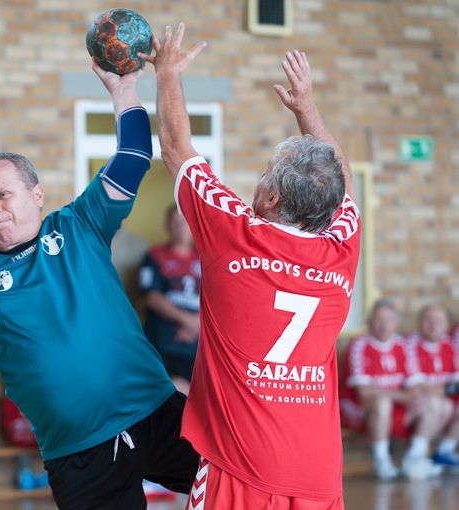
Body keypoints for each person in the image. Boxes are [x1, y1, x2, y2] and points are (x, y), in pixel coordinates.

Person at [0, 60, 199, 510]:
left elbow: (135, 155)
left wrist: (124, 91)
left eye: (4, 194)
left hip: (154, 413)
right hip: (77, 452)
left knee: (242, 486)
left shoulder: (81, 223)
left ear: (37, 194)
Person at [140, 26, 359, 509]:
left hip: (239, 470)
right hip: (317, 475)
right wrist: (307, 109)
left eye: (264, 173)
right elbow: (341, 177)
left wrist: (168, 74)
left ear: (272, 197)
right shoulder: (342, 249)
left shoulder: (233, 233)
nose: (257, 180)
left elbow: (176, 147)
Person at [340, 300, 445, 480]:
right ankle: (381, 461)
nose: (383, 325)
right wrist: (403, 396)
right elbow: (363, 392)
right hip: (357, 409)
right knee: (382, 402)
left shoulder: (401, 344)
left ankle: (413, 459)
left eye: (388, 320)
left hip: (394, 406)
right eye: (378, 319)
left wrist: (414, 396)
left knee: (435, 404)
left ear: (396, 323)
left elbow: (415, 383)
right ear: (369, 322)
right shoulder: (359, 344)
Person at [139, 205, 201, 394]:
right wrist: (187, 320)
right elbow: (151, 297)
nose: (181, 227)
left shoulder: (206, 259)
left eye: (185, 223)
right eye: (175, 222)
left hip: (197, 348)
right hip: (161, 344)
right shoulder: (154, 256)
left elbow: (220, 299)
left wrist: (197, 322)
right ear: (167, 226)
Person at [406, 305, 459, 470]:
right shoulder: (408, 344)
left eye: (438, 321)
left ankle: (444, 452)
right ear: (419, 323)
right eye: (428, 320)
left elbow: (456, 383)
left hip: (439, 400)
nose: (433, 325)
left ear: (446, 325)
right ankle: (414, 458)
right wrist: (445, 390)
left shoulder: (450, 345)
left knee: (443, 404)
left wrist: (442, 390)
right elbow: (416, 385)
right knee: (437, 404)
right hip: (410, 402)